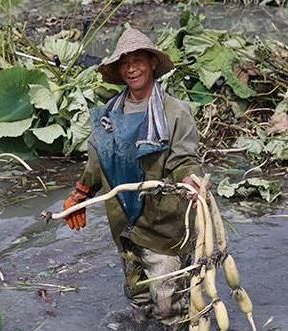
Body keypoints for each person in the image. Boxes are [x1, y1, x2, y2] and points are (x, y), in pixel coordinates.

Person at [62, 27, 203, 330]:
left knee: (169, 300)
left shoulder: (175, 112)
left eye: (138, 60)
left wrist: (191, 180)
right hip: (123, 216)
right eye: (124, 63)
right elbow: (97, 160)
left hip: (163, 220)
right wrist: (80, 195)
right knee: (138, 292)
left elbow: (185, 159)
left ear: (153, 63)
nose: (131, 68)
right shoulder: (108, 115)